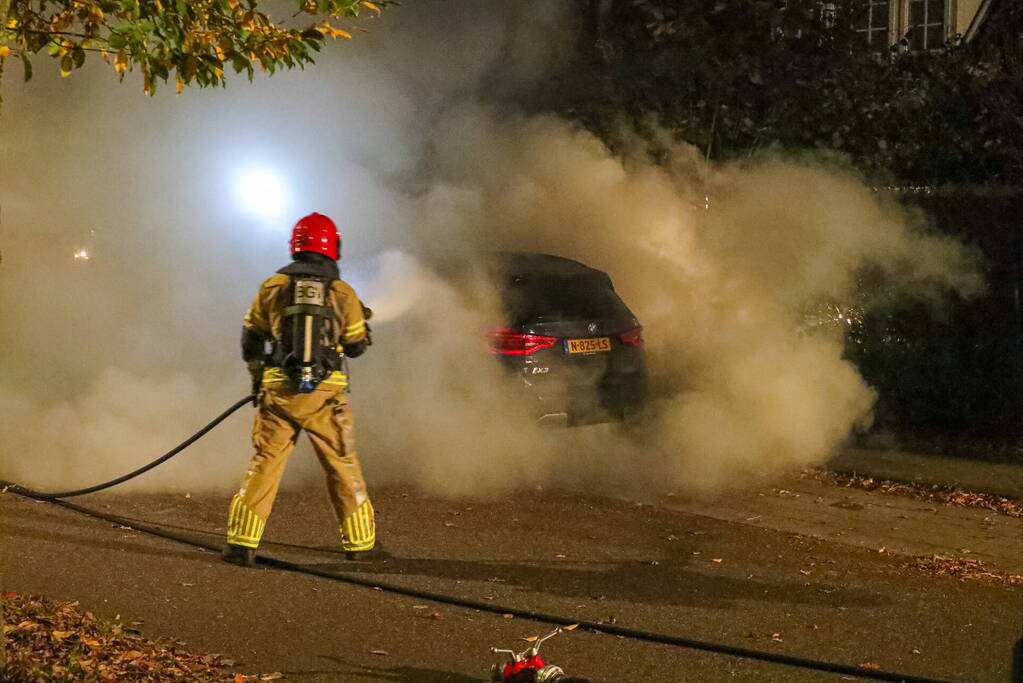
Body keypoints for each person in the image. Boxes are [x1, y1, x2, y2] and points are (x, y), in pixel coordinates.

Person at [223, 212, 382, 567]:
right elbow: (355, 346)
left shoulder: (271, 287)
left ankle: (241, 544)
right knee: (341, 464)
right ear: (332, 247)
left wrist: (256, 377)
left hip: (278, 393)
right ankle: (361, 545)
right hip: (325, 398)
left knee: (265, 462)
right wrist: (361, 333)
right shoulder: (343, 293)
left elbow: (251, 338)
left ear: (296, 246)